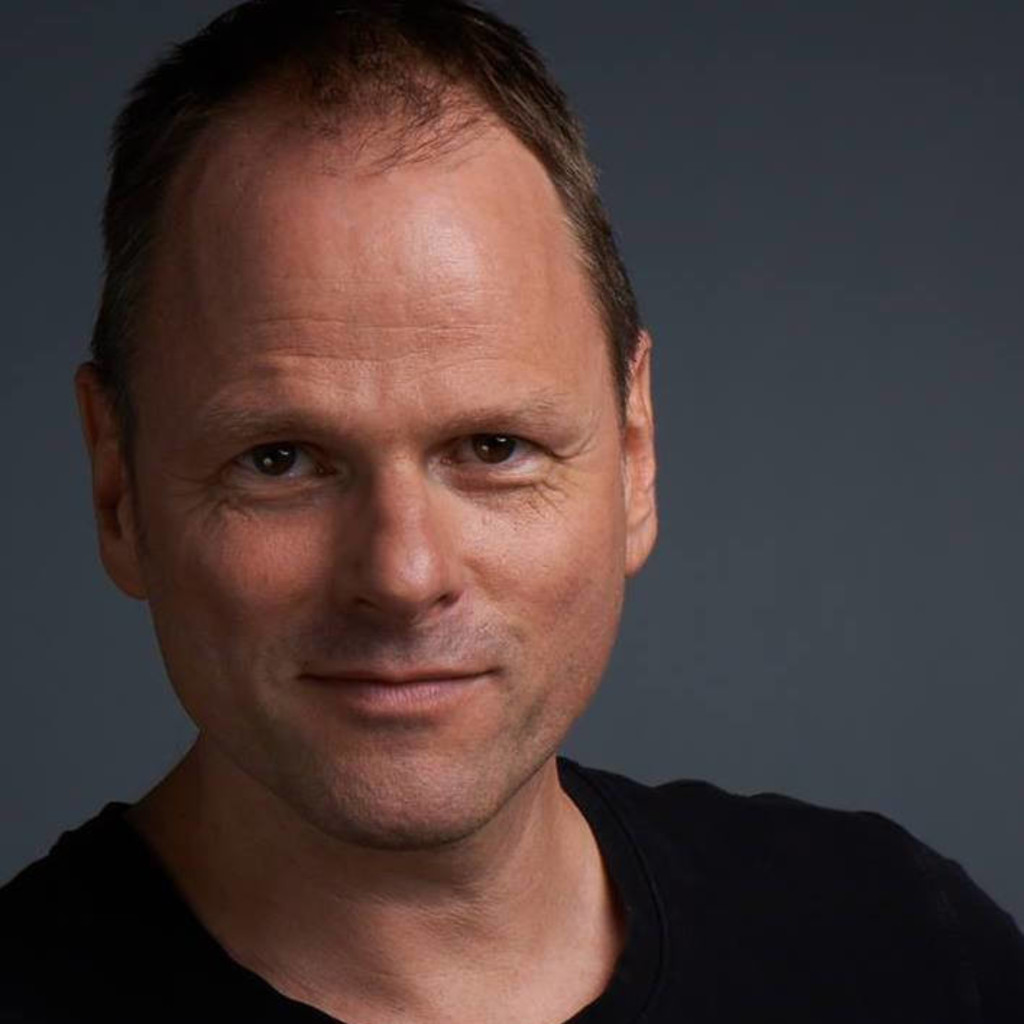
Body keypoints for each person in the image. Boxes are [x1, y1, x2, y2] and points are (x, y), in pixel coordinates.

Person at [2, 2, 1022, 1021]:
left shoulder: (904, 950)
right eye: (280, 461)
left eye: (493, 448)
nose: (404, 575)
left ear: (634, 452)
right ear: (118, 486)